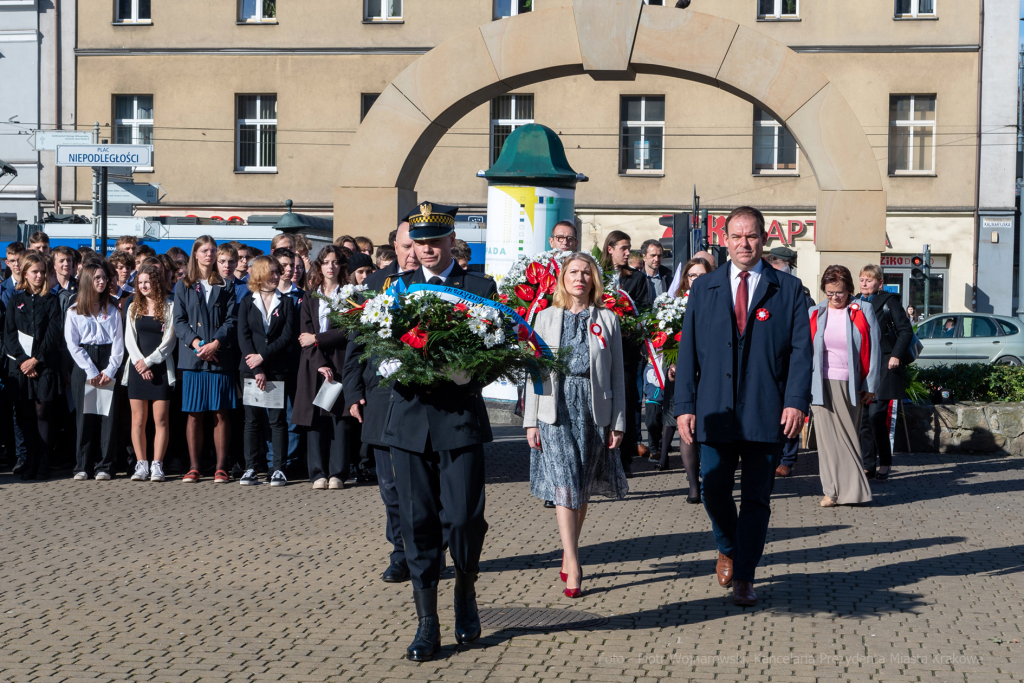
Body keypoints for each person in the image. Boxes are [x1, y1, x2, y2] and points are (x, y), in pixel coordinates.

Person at [674, 206, 812, 607]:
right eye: (736, 236)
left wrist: (796, 402)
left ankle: (745, 578)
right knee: (713, 488)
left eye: (751, 236)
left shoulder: (788, 290)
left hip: (766, 412)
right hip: (715, 410)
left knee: (756, 499)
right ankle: (727, 545)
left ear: (763, 239)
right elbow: (687, 354)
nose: (744, 244)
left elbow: (803, 353)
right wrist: (685, 405)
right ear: (726, 240)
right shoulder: (705, 288)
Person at [376, 202, 496, 661]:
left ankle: (465, 591)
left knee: (465, 518)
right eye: (418, 241)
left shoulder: (478, 287)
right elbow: (374, 344)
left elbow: (495, 347)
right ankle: (428, 622)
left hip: (459, 420)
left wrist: (473, 374)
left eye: (434, 241)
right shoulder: (398, 289)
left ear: (451, 242)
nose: (425, 249)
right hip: (408, 423)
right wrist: (386, 363)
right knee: (417, 522)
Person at [524, 252, 628, 599]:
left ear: (593, 280)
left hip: (593, 407)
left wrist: (619, 422)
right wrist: (530, 420)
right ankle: (574, 561)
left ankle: (569, 553)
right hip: (554, 408)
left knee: (581, 484)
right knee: (565, 483)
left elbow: (617, 374)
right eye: (573, 272)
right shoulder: (544, 318)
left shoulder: (608, 319)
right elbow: (534, 373)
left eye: (586, 272)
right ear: (563, 278)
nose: (579, 278)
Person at [344, 218, 419, 585]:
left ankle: (426, 548)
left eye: (415, 246)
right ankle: (401, 553)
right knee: (389, 486)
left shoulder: (434, 284)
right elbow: (356, 342)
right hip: (381, 397)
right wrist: (353, 392)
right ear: (395, 245)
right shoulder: (374, 284)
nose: (411, 253)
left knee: (421, 485)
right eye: (405, 246)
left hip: (422, 401)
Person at [810, 265, 880, 507]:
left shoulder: (863, 309)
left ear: (849, 289)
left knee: (847, 437)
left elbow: (875, 348)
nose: (835, 298)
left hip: (851, 383)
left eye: (839, 292)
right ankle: (831, 491)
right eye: (829, 293)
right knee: (827, 441)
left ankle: (853, 491)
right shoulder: (815, 312)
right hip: (819, 383)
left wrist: (871, 384)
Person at [173, 236, 239, 484]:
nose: (209, 254)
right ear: (196, 254)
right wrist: (197, 343)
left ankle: (221, 467)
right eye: (204, 250)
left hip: (220, 356)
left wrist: (215, 343)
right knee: (194, 413)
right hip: (194, 358)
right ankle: (194, 467)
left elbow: (232, 320)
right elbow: (178, 321)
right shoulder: (184, 284)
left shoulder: (225, 284)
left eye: (212, 250)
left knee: (221, 413)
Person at [237, 255, 298, 488]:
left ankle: (279, 469)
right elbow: (244, 336)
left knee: (277, 421)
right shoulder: (245, 302)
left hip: (277, 369)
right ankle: (251, 468)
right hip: (251, 370)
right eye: (272, 272)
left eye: (278, 271)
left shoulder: (286, 302)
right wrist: (257, 366)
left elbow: (286, 336)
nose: (277, 276)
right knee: (252, 421)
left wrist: (264, 357)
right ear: (261, 274)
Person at [293, 245, 351, 490]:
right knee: (315, 419)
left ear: (341, 266)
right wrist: (319, 362)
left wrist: (318, 339)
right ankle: (317, 473)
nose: (331, 266)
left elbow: (347, 331)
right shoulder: (310, 296)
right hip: (313, 365)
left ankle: (338, 473)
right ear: (319, 265)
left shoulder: (350, 295)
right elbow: (304, 336)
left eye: (335, 262)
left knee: (339, 420)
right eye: (326, 262)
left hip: (340, 363)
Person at [657, 257, 713, 497]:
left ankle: (709, 477)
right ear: (685, 280)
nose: (697, 280)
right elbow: (665, 339)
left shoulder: (718, 301)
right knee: (685, 429)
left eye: (702, 275)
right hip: (681, 376)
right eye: (692, 276)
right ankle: (693, 484)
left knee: (707, 429)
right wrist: (671, 364)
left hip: (710, 375)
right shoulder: (676, 304)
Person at [65, 262, 125, 481]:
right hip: (85, 363)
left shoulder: (113, 309)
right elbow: (73, 345)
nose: (102, 282)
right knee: (85, 415)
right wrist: (91, 370)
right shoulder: (74, 310)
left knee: (106, 416)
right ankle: (82, 465)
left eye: (104, 278)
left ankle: (105, 466)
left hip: (107, 360)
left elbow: (119, 343)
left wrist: (110, 369)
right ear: (88, 281)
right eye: (97, 278)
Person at [5, 252, 62, 480]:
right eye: (34, 272)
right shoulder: (14, 300)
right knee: (24, 415)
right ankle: (28, 460)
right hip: (20, 368)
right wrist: (22, 361)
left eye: (42, 272)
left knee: (42, 414)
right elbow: (9, 335)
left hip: (44, 365)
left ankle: (43, 461)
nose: (38, 276)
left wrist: (36, 359)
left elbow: (53, 333)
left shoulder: (52, 300)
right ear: (25, 273)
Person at [856, 265, 913, 480]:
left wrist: (896, 355)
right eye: (861, 279)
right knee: (863, 421)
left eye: (869, 280)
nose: (864, 283)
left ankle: (885, 462)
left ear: (879, 283)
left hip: (885, 365)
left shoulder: (889, 301)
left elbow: (905, 330)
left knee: (875, 416)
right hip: (863, 366)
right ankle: (868, 465)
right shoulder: (854, 302)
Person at [122, 263, 177, 482]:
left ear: (157, 282)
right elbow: (129, 339)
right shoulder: (133, 305)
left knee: (161, 420)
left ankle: (157, 465)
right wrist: (140, 363)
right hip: (137, 370)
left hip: (161, 369)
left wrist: (150, 362)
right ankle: (141, 464)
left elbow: (170, 340)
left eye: (148, 282)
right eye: (140, 282)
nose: (144, 286)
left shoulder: (170, 306)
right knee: (138, 420)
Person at [601, 230, 648, 475]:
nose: (628, 252)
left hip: (626, 353)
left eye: (629, 248)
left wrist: (628, 327)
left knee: (627, 404)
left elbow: (643, 312)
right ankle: (600, 457)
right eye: (624, 247)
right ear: (610, 248)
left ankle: (624, 459)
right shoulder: (596, 275)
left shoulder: (637, 279)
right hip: (599, 351)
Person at [639, 239, 672, 307]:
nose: (656, 259)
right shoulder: (637, 279)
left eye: (659, 256)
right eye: (653, 255)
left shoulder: (668, 278)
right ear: (644, 257)